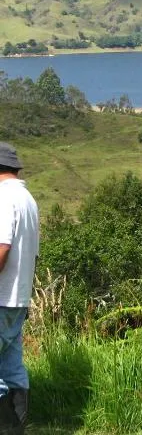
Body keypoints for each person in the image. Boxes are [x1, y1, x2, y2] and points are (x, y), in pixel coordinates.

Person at [0, 143, 39, 434]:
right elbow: (32, 254)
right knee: (11, 369)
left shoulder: (3, 198)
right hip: (18, 298)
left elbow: (2, 248)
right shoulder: (28, 199)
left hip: (1, 298)